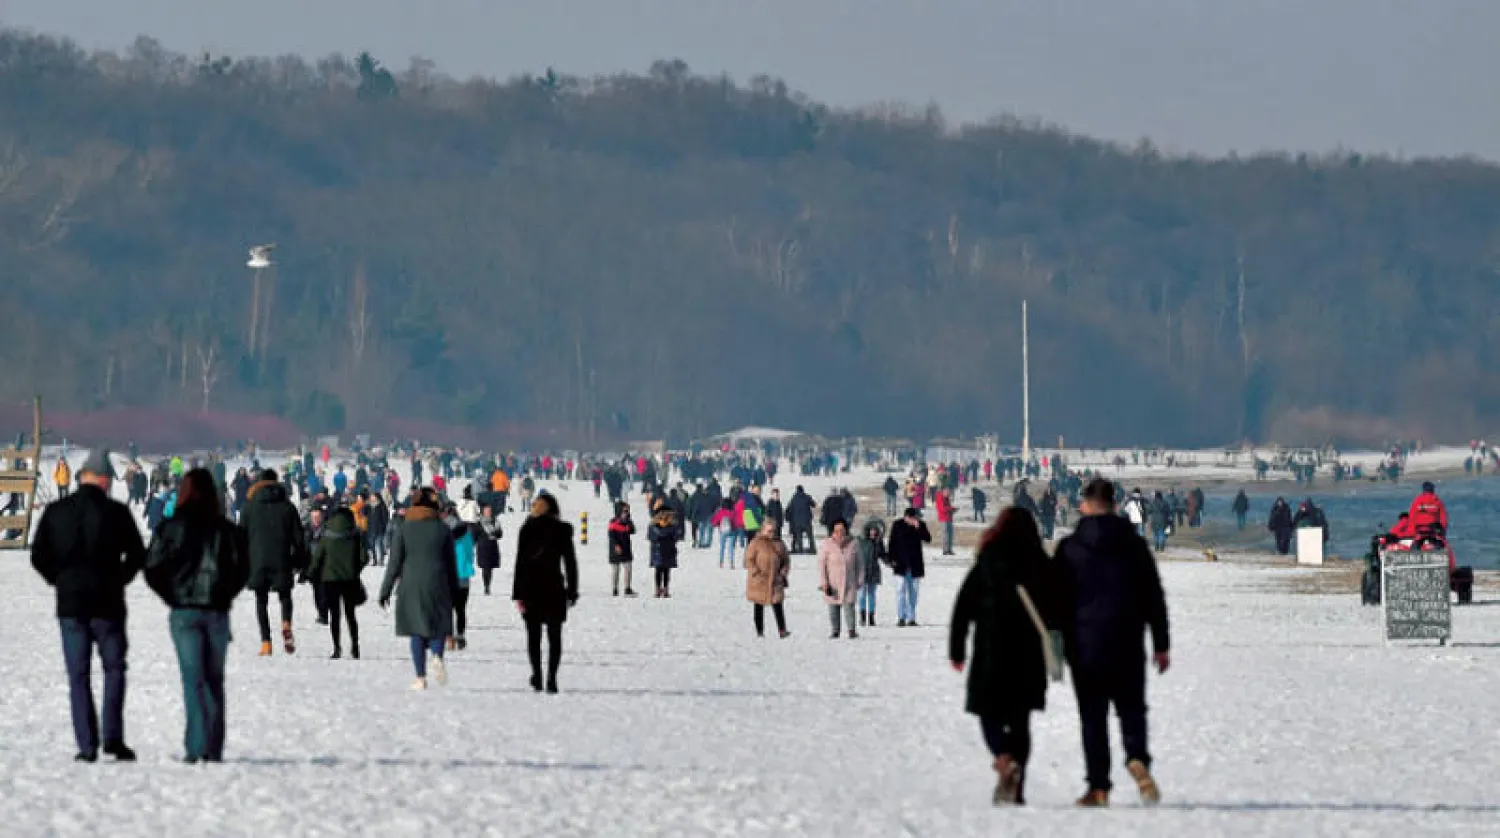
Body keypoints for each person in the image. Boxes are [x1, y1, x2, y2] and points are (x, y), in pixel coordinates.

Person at [1053, 478, 1170, 807]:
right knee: (1132, 710)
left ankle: (1099, 787)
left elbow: (1055, 600)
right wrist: (1161, 645)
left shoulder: (1069, 548)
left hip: (1085, 645)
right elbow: (1153, 598)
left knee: (1093, 717)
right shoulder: (1134, 546)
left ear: (1085, 505)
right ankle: (1137, 758)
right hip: (1128, 641)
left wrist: (1055, 641)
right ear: (1115, 505)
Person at [30, 449, 146, 763]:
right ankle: (113, 738)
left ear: (81, 476)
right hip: (108, 603)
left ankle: (87, 744)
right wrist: (120, 578)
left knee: (78, 676)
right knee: (114, 670)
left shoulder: (56, 511)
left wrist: (59, 580)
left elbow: (38, 555)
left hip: (71, 605)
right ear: (105, 479)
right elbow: (137, 554)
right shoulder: (117, 513)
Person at [949, 507, 1058, 806]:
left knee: (988, 714)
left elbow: (964, 606)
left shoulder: (988, 559)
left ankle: (1003, 757)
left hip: (991, 654)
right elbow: (1056, 610)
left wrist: (957, 650)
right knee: (1020, 722)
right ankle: (1017, 784)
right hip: (1028, 657)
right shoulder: (1041, 563)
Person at [143, 468, 250, 763]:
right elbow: (242, 567)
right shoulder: (226, 529)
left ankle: (197, 746)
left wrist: (173, 595)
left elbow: (152, 567)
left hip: (185, 611)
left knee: (194, 680)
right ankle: (212, 747)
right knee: (214, 679)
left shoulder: (171, 527)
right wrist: (225, 593)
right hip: (216, 611)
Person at [378, 489, 459, 690]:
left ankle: (420, 677)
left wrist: (385, 591)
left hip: (411, 583)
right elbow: (451, 564)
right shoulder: (443, 529)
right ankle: (437, 656)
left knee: (416, 629)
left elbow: (394, 564)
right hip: (438, 582)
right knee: (438, 625)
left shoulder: (404, 529)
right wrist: (455, 592)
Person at [512, 493, 579, 694]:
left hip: (530, 590)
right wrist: (572, 591)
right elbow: (570, 563)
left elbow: (520, 563)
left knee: (533, 637)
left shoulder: (527, 529)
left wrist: (517, 594)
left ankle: (537, 676)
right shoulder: (561, 530)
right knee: (554, 637)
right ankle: (552, 678)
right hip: (553, 588)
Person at [241, 469, 309, 656]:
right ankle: (286, 622)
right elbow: (299, 538)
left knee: (261, 600)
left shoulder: (249, 507)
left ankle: (266, 643)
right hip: (282, 558)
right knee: (285, 595)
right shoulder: (288, 507)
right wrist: (300, 561)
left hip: (257, 560)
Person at [307, 505, 367, 660]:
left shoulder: (327, 536)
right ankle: (355, 646)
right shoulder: (355, 535)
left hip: (330, 579)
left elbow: (317, 558)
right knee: (350, 614)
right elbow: (364, 557)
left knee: (335, 615)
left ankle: (337, 648)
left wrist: (311, 573)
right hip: (349, 580)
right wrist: (355, 570)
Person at [744, 524, 791, 638]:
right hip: (759, 580)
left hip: (776, 579)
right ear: (763, 531)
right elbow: (748, 559)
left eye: (773, 531)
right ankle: (760, 631)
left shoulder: (779, 544)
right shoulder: (756, 543)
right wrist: (755, 571)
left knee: (778, 605)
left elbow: (786, 560)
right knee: (759, 606)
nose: (772, 533)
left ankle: (782, 630)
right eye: (769, 531)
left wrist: (783, 573)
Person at [888, 508, 932, 627]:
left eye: (915, 518)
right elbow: (891, 542)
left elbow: (928, 538)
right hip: (900, 563)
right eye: (911, 518)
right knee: (900, 590)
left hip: (915, 564)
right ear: (906, 517)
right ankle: (901, 617)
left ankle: (911, 617)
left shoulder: (920, 525)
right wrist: (891, 559)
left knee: (914, 592)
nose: (913, 520)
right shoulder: (897, 525)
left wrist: (919, 527)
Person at [819, 519, 861, 639]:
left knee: (849, 606)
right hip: (833, 581)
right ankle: (835, 631)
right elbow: (822, 565)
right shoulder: (827, 544)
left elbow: (860, 563)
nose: (839, 533)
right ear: (832, 531)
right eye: (836, 530)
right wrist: (824, 582)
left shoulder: (854, 543)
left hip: (850, 580)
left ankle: (852, 630)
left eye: (842, 530)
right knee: (833, 607)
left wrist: (860, 579)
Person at [648, 502, 682, 598]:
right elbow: (676, 536)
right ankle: (661, 590)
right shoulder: (672, 525)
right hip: (663, 549)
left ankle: (661, 590)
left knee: (662, 571)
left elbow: (651, 537)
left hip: (661, 550)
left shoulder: (653, 525)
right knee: (662, 571)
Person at [857, 519, 887, 627]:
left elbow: (883, 555)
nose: (873, 532)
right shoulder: (860, 540)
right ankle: (862, 616)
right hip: (861, 571)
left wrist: (891, 562)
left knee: (872, 595)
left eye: (875, 530)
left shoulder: (879, 542)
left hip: (874, 571)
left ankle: (871, 617)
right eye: (871, 530)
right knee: (861, 595)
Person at [608, 503, 638, 597]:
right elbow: (611, 536)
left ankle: (627, 588)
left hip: (626, 547)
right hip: (615, 549)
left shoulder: (628, 521)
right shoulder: (613, 521)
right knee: (616, 570)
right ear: (620, 511)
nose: (627, 512)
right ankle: (615, 589)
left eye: (628, 510)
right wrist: (616, 546)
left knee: (628, 568)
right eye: (625, 511)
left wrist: (628, 522)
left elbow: (633, 531)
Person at [475, 505, 503, 595]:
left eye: (490, 511)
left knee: (490, 568)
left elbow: (500, 534)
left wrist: (496, 533)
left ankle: (488, 585)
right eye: (487, 511)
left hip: (492, 547)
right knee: (485, 568)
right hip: (483, 547)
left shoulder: (496, 521)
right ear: (483, 512)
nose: (488, 512)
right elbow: (474, 535)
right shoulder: (479, 522)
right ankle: (486, 586)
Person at [936, 488, 957, 556]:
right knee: (945, 535)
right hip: (943, 519)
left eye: (949, 494)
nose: (948, 495)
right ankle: (945, 550)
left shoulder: (946, 498)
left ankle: (949, 550)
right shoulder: (940, 498)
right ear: (944, 492)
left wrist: (953, 509)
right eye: (947, 493)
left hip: (949, 518)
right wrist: (951, 509)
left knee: (950, 535)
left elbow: (947, 507)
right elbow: (942, 509)